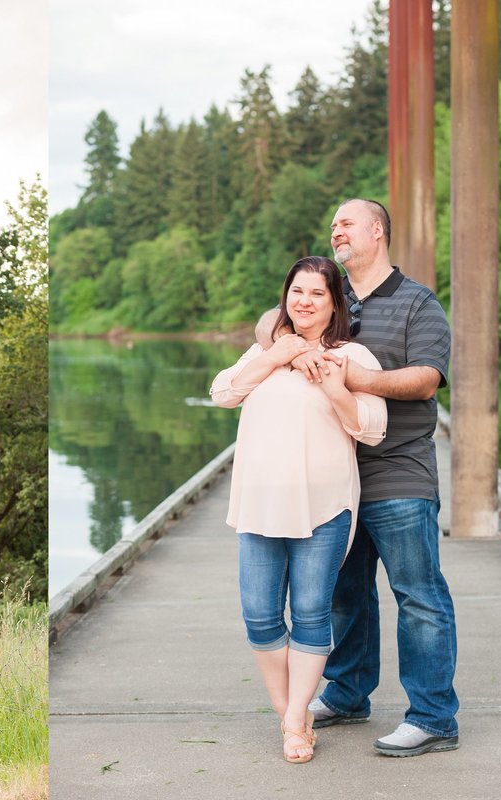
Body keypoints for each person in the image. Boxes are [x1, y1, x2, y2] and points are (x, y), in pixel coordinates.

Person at [257, 198, 460, 758]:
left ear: (377, 230)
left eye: (345, 223)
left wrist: (359, 377)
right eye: (332, 225)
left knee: (418, 595)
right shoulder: (332, 296)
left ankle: (434, 717)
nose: (335, 230)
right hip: (329, 478)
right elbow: (267, 321)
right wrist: (292, 349)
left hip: (397, 471)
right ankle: (347, 695)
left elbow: (426, 380)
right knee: (342, 596)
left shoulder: (418, 301)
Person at [211, 255, 387, 764]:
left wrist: (335, 388)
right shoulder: (266, 349)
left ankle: (293, 723)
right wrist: (276, 355)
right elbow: (223, 392)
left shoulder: (353, 357)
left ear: (334, 304)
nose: (304, 302)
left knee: (311, 613)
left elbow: (372, 429)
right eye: (296, 292)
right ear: (285, 297)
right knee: (260, 616)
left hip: (323, 507)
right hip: (260, 505)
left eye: (316, 294)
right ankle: (292, 711)